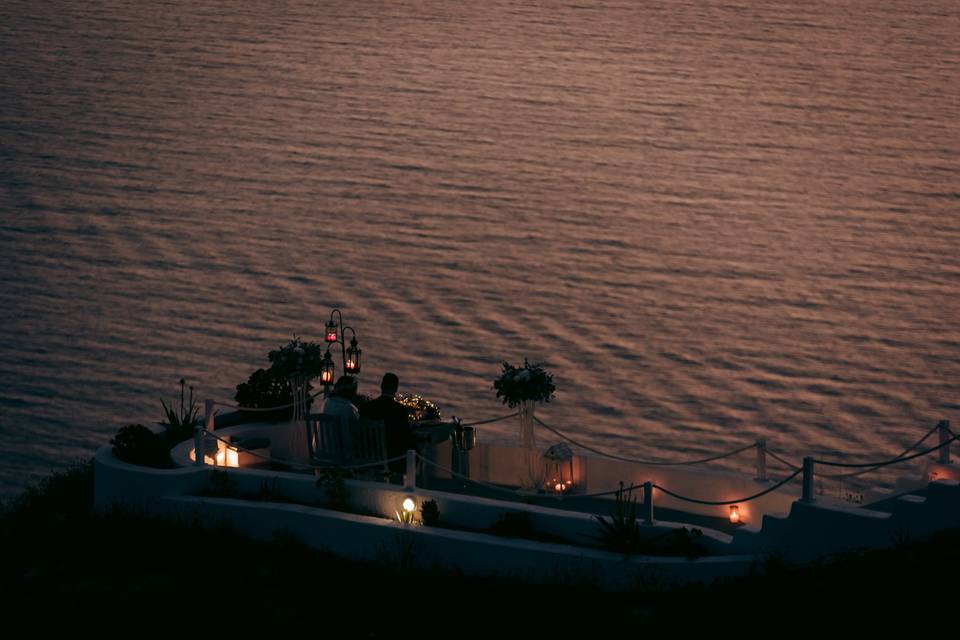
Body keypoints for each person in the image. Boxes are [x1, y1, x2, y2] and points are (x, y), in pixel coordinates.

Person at [360, 372, 414, 473]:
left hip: (368, 455)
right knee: (414, 448)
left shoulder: (366, 407)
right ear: (396, 389)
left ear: (381, 386)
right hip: (391, 458)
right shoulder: (400, 410)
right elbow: (405, 435)